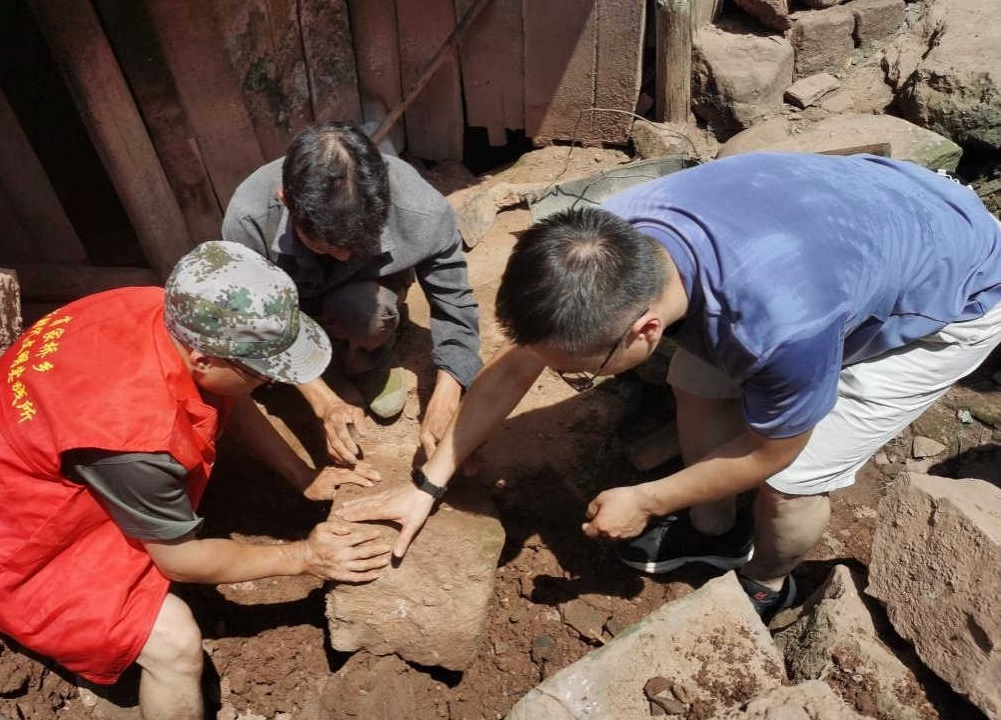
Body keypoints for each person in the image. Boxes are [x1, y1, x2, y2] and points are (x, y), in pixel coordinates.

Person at [341, 152, 1001, 620]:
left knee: (791, 485)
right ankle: (711, 529)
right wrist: (429, 483)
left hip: (953, 290)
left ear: (643, 329)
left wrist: (648, 498)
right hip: (861, 216)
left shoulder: (778, 325)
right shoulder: (611, 241)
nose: (569, 377)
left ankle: (767, 583)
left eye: (582, 370)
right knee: (695, 383)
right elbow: (518, 364)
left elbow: (774, 452)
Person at [0, 241, 388, 720]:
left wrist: (301, 476)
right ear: (204, 357)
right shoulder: (135, 435)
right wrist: (306, 557)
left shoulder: (162, 308)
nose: (268, 381)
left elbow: (230, 390)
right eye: (262, 371)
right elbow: (179, 562)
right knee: (175, 644)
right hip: (5, 543)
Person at [222, 121, 482, 465]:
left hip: (363, 299)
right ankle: (320, 372)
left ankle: (366, 358)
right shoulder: (250, 219)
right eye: (323, 245)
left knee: (366, 314)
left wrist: (446, 397)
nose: (343, 256)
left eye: (357, 245)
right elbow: (255, 320)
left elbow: (455, 303)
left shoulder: (423, 211)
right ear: (285, 201)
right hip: (292, 311)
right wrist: (323, 402)